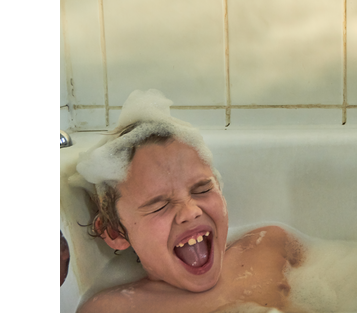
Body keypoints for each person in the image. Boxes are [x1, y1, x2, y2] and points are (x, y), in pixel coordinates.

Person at [74, 90, 304, 313]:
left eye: (202, 189)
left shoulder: (270, 246)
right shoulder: (114, 308)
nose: (190, 211)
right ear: (115, 232)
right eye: (159, 205)